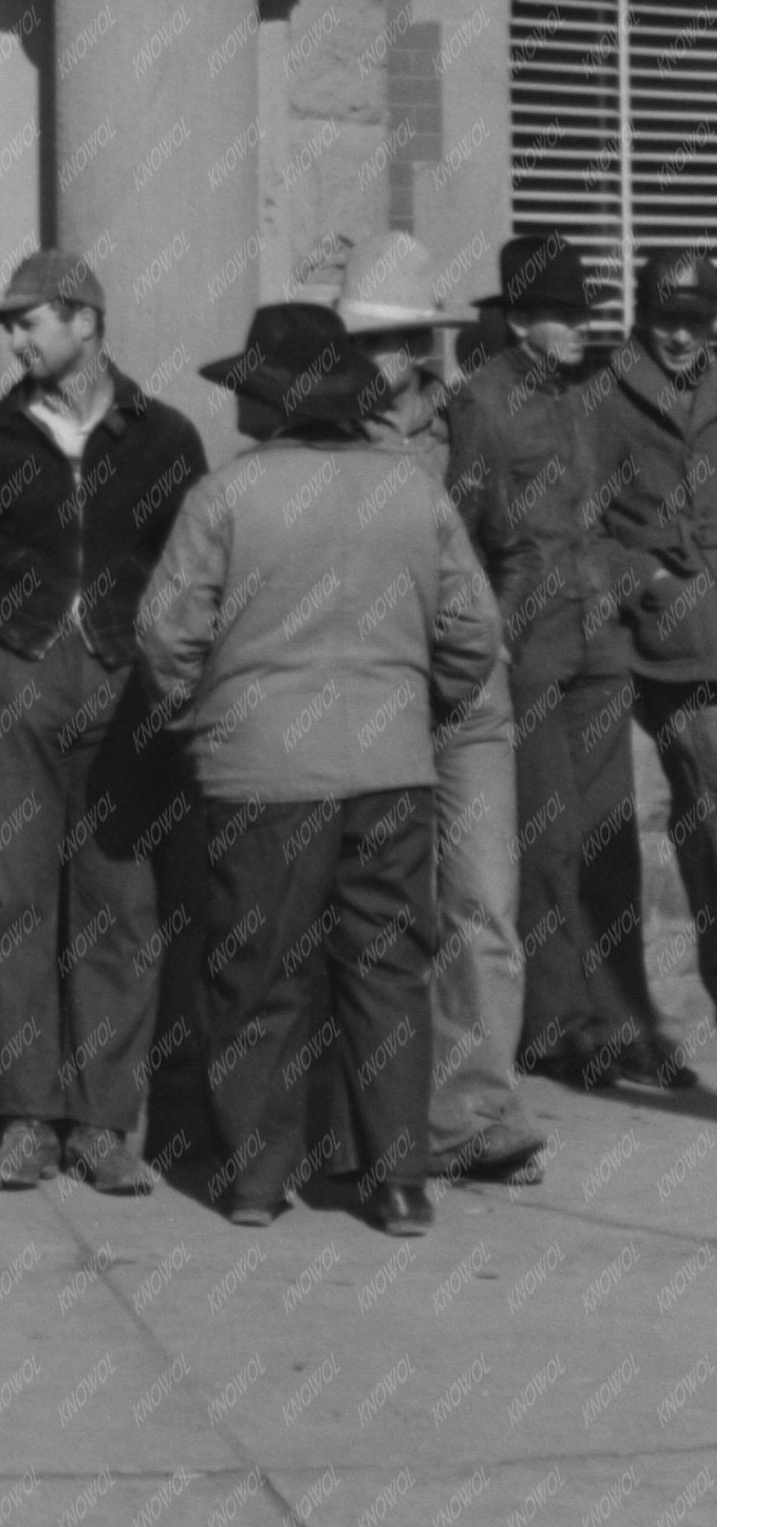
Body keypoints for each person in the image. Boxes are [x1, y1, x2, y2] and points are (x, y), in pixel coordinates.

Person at [137, 303, 502, 1234]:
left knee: (256, 975)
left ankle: (256, 1180)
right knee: (386, 973)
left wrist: (195, 711)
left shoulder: (222, 498)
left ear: (268, 403)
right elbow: (471, 631)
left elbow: (163, 633)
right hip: (390, 768)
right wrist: (432, 703)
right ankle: (398, 1181)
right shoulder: (414, 491)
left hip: (258, 775)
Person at [0, 250, 207, 1195]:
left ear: (83, 319)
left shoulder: (162, 436)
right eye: (10, 325)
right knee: (10, 895)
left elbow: (196, 558)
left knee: (122, 901)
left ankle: (104, 1124)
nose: (15, 338)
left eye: (28, 321)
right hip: (21, 676)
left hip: (126, 682)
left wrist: (165, 661)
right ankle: (27, 1118)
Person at [335, 232, 546, 1188]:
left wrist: (490, 634)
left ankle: (474, 1113)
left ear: (422, 340)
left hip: (470, 700)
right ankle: (371, 1113)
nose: (382, 356)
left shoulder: (468, 426)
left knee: (482, 904)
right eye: (366, 339)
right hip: (370, 696)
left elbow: (516, 540)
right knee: (379, 905)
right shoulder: (322, 437)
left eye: (398, 338)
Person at [446, 234, 657, 1084]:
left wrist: (628, 577)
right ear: (521, 319)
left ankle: (622, 1017)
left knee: (610, 836)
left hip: (600, 635)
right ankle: (554, 1023)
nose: (577, 327)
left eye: (580, 313)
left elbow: (612, 510)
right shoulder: (481, 403)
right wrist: (481, 625)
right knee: (546, 836)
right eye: (561, 314)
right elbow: (458, 528)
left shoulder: (591, 396)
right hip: (527, 639)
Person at [594, 249, 716, 1026]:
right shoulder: (603, 393)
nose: (679, 337)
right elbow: (578, 518)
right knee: (676, 831)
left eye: (693, 320)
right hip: (653, 645)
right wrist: (644, 578)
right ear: (641, 315)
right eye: (667, 320)